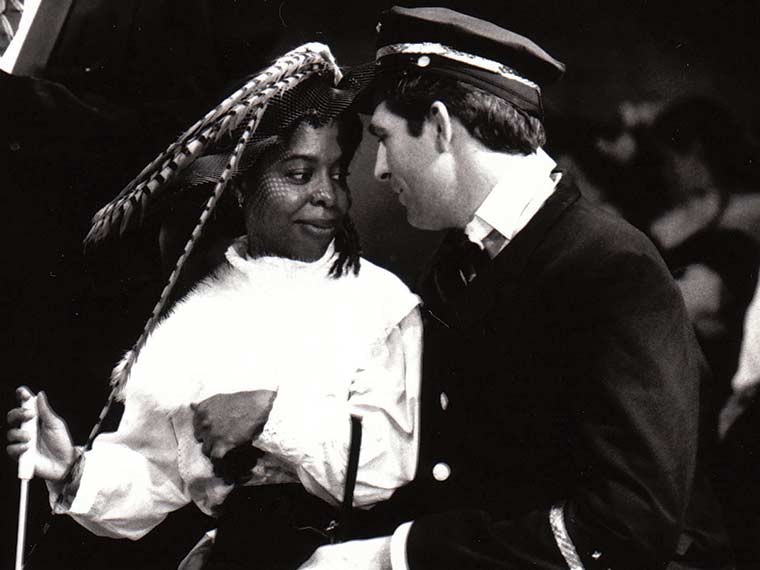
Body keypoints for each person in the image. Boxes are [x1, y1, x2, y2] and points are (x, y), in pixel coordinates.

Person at [296, 6, 734, 569]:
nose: (379, 168)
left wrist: (394, 556)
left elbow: (626, 528)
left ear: (439, 126)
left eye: (383, 137)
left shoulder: (612, 267)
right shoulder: (459, 259)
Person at [7, 48, 422, 570]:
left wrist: (269, 414)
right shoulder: (197, 308)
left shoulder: (380, 303)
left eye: (337, 173)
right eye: (298, 173)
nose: (328, 196)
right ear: (241, 184)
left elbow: (387, 468)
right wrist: (71, 470)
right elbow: (156, 479)